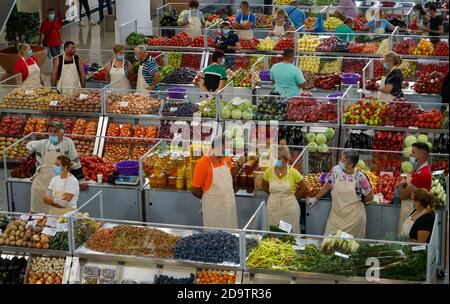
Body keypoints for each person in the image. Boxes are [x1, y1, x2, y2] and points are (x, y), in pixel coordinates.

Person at [307, 150, 374, 238]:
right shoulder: (336, 170)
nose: (340, 162)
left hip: (353, 218)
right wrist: (315, 199)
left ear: (350, 164)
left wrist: (360, 201)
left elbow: (370, 196)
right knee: (329, 242)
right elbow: (327, 185)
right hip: (336, 216)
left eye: (343, 161)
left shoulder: (360, 177)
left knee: (347, 247)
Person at [27, 122, 87, 214]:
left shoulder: (67, 142)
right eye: (50, 131)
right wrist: (31, 150)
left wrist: (81, 180)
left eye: (55, 131)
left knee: (57, 211)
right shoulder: (44, 143)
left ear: (62, 134)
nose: (52, 134)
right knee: (38, 212)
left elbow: (75, 162)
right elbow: (29, 146)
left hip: (58, 183)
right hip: (41, 182)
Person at [191, 135, 245, 229]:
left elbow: (229, 175)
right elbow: (195, 189)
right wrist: (208, 198)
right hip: (214, 210)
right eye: (226, 147)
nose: (228, 149)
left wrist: (239, 165)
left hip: (228, 207)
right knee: (215, 238)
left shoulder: (225, 159)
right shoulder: (203, 163)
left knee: (230, 234)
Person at [262, 146, 307, 233]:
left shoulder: (293, 172)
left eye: (279, 158)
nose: (276, 161)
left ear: (286, 160)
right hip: (273, 210)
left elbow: (304, 188)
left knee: (290, 235)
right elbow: (264, 186)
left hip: (290, 211)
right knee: (273, 234)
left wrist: (294, 198)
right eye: (275, 158)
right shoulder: (269, 171)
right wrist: (274, 195)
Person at [396, 142, 432, 235]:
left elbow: (403, 196)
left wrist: (399, 186)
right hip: (412, 209)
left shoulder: (422, 174)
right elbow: (408, 184)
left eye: (413, 152)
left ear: (421, 154)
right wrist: (405, 184)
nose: (410, 155)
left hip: (412, 208)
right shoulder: (418, 169)